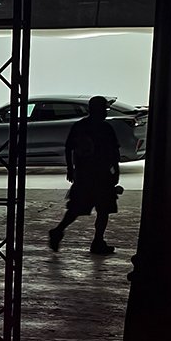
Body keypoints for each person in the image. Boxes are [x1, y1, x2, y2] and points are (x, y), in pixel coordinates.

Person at [47, 95, 121, 255]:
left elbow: (69, 148)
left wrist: (70, 168)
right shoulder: (106, 129)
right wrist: (116, 171)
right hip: (102, 175)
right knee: (103, 210)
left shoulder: (80, 126)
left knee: (77, 208)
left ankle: (59, 231)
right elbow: (114, 153)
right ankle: (98, 241)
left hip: (85, 175)